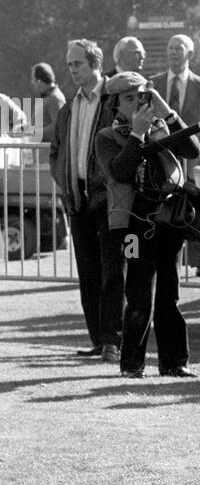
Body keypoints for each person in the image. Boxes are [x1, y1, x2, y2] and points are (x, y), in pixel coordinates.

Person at [95, 72, 200, 378]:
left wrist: (167, 112)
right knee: (139, 294)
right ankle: (131, 365)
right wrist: (137, 136)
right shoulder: (107, 137)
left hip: (167, 220)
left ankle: (174, 362)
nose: (138, 103)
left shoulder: (161, 126)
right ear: (115, 104)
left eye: (142, 96)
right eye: (129, 98)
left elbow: (192, 150)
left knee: (169, 293)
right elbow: (120, 172)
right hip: (134, 224)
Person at [49, 40, 124, 361]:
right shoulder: (69, 108)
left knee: (112, 272)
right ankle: (98, 338)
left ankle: (112, 340)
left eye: (77, 64)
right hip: (78, 200)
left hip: (109, 199)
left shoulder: (115, 100)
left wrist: (110, 185)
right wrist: (66, 186)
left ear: (95, 63)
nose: (72, 70)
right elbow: (56, 152)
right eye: (69, 64)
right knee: (89, 274)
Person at [150, 34, 200, 275]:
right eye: (169, 47)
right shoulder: (154, 83)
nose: (172, 52)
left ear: (189, 54)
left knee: (192, 209)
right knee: (165, 211)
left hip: (191, 160)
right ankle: (167, 264)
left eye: (178, 48)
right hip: (164, 161)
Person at [31, 64, 67, 145]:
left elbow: (58, 127)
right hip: (41, 150)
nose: (32, 83)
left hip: (49, 152)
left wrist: (34, 133)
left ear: (39, 81)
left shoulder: (55, 98)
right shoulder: (47, 97)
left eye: (33, 80)